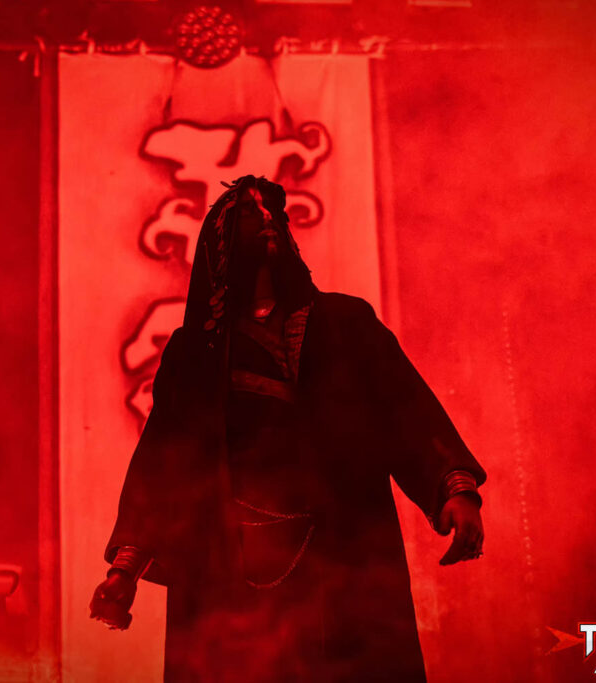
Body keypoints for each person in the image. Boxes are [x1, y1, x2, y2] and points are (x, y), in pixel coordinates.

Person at [89, 175, 486, 682]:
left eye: (273, 213)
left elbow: (405, 408)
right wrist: (125, 568)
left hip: (347, 558)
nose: (268, 220)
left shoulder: (347, 323)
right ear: (219, 244)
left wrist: (455, 486)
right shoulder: (196, 352)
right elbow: (165, 461)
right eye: (250, 213)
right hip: (234, 575)